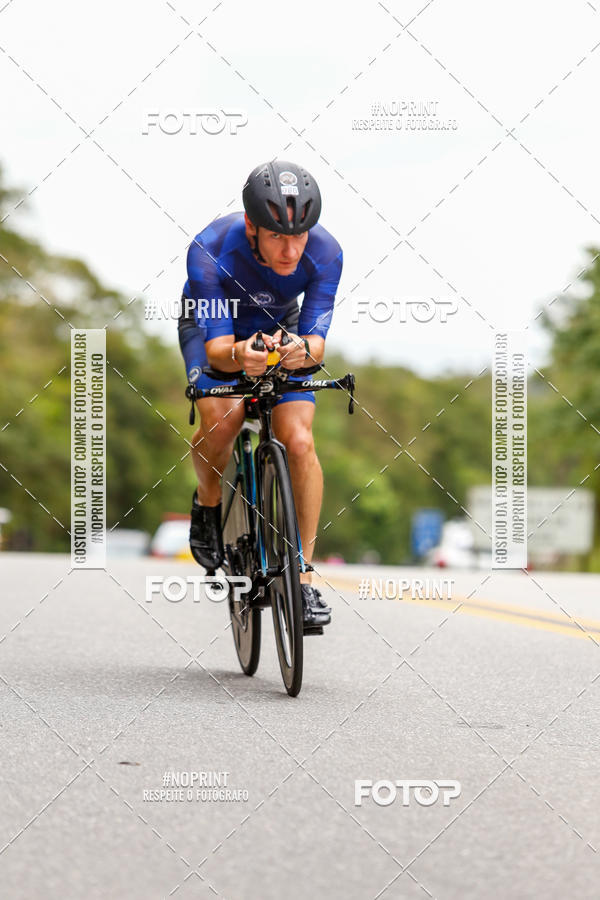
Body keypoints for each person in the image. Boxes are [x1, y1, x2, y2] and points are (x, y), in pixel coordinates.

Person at [178, 160, 343, 629]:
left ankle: (304, 580)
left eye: (300, 235)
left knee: (300, 440)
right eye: (277, 236)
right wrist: (240, 356)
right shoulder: (209, 249)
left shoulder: (327, 254)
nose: (291, 251)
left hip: (279, 329)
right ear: (252, 226)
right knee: (225, 420)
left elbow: (316, 344)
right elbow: (216, 350)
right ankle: (209, 502)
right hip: (214, 330)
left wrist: (297, 351)